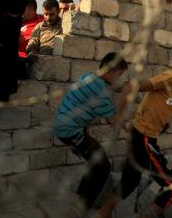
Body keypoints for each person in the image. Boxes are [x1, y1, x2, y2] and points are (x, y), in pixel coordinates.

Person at [99, 41, 172, 218]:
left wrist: (162, 123)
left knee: (130, 180)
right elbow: (131, 87)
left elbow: (160, 105)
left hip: (142, 135)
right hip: (144, 138)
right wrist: (119, 118)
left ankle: (103, 213)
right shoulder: (169, 78)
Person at [53, 52, 129, 215]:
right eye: (119, 75)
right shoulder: (100, 90)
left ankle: (79, 198)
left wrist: (118, 86)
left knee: (96, 159)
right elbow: (112, 121)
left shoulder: (91, 77)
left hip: (66, 125)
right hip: (70, 131)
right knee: (103, 166)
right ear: (109, 72)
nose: (120, 79)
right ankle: (79, 208)